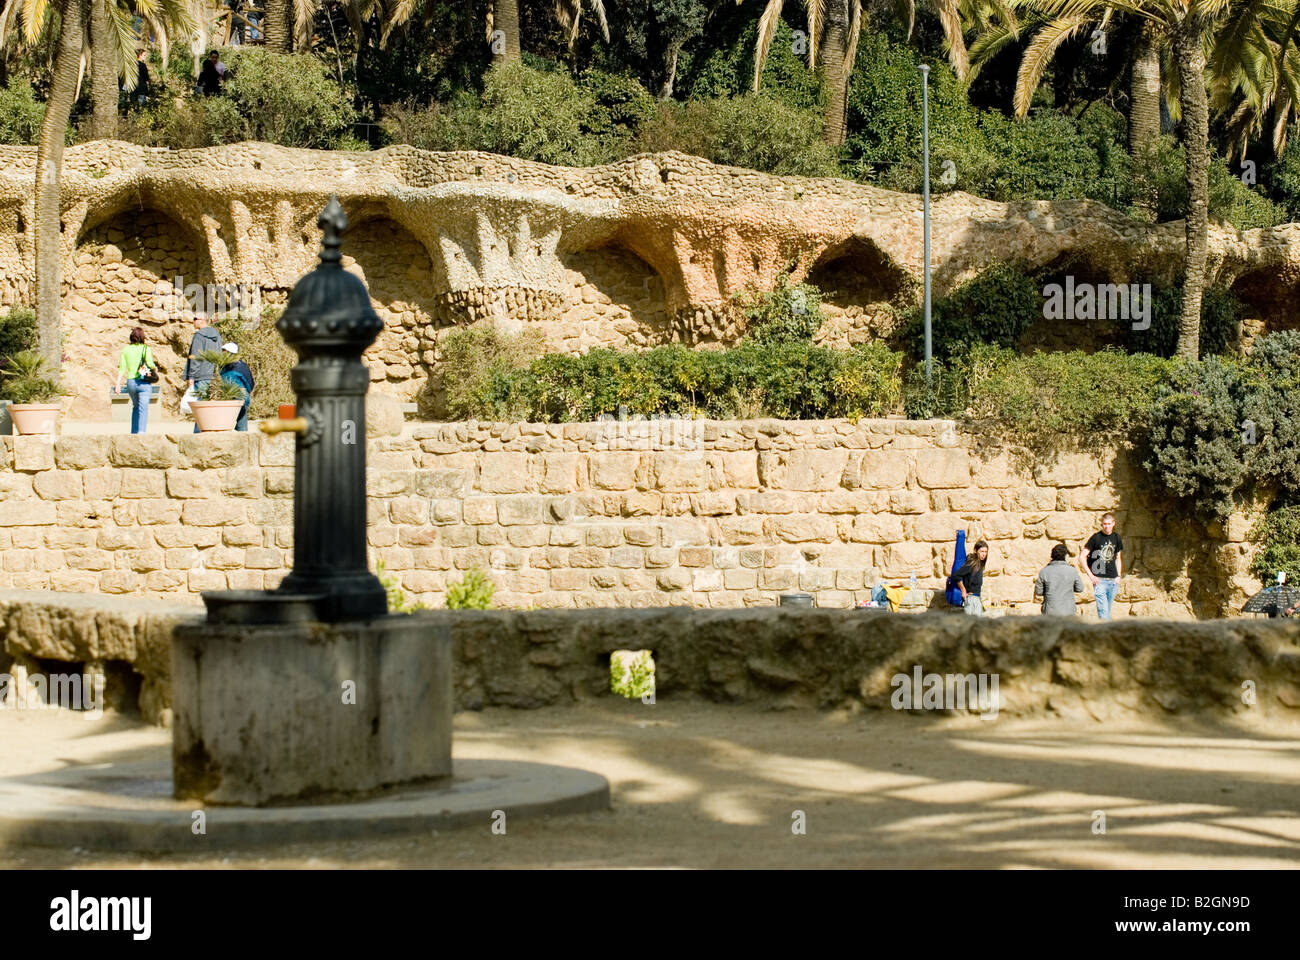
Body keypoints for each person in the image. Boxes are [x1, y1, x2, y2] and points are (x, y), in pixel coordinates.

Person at [114, 327, 158, 435]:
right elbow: (150, 363)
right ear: (142, 337)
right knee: (143, 408)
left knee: (136, 406)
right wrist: (155, 369)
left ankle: (133, 433)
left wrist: (118, 384)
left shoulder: (126, 350)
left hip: (131, 383)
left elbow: (122, 368)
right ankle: (141, 432)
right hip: (144, 383)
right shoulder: (145, 349)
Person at [1081, 513, 1124, 621]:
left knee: (1106, 612)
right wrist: (1091, 576)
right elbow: (1081, 557)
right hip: (1099, 581)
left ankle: (1105, 634)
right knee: (1103, 613)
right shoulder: (1096, 538)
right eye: (1105, 524)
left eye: (1109, 524)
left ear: (1113, 524)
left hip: (1113, 581)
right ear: (1101, 524)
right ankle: (1107, 635)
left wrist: (1118, 576)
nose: (1107, 526)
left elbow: (1118, 558)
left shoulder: (1116, 538)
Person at [183, 315, 223, 432]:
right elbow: (219, 354)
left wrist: (191, 376)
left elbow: (196, 357)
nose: (193, 321)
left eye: (194, 319)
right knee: (208, 405)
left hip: (200, 374)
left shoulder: (199, 336)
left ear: (202, 320)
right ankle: (206, 430)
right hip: (212, 374)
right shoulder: (217, 335)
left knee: (200, 406)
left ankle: (199, 432)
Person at [1035, 543, 1087, 616]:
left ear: (1052, 556)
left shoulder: (1044, 571)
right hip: (1069, 611)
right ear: (1065, 556)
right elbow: (1080, 588)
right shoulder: (1072, 571)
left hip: (1050, 612)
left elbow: (1038, 592)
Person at [219, 342, 255, 431]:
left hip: (237, 397)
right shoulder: (240, 366)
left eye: (224, 351)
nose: (222, 353)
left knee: (227, 425)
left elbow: (249, 383)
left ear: (229, 352)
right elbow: (250, 383)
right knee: (241, 426)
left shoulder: (233, 367)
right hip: (240, 397)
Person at [953, 540, 989, 616]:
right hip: (971, 600)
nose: (984, 554)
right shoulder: (971, 563)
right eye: (982, 551)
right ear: (975, 550)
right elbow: (956, 575)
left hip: (976, 599)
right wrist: (963, 590)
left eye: (986, 552)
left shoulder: (979, 564)